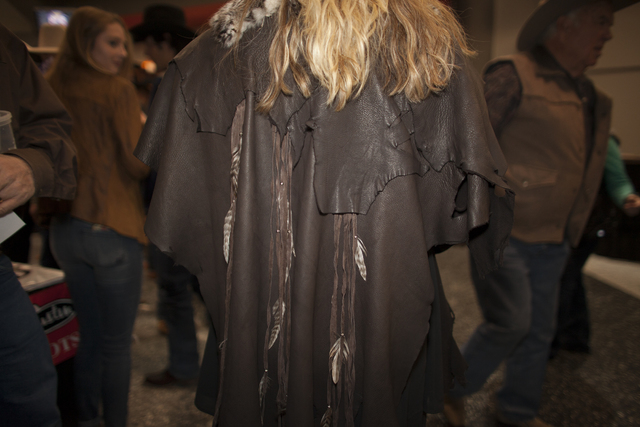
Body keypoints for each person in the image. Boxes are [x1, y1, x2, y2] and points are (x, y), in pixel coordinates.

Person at [136, 0, 515, 425]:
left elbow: (189, 196)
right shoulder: (423, 40)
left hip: (257, 299)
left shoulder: (223, 47)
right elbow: (450, 206)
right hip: (381, 300)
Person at [444, 1, 638, 426]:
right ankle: (450, 394)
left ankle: (516, 410)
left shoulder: (590, 94)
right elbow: (472, 142)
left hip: (557, 237)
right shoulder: (513, 75)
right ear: (562, 26)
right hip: (504, 234)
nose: (608, 33)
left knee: (539, 332)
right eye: (601, 21)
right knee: (510, 324)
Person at [46, 7, 149, 427]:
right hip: (112, 227)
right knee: (115, 346)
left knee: (86, 340)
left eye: (124, 43)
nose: (122, 53)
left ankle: (85, 420)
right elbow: (137, 164)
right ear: (84, 43)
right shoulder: (117, 91)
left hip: (65, 230)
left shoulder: (50, 87)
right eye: (112, 42)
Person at [0, 22, 77, 427]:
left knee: (30, 399)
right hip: (84, 226)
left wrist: (28, 165)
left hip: (2, 257)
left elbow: (50, 127)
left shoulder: (5, 46)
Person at [130, 4, 201, 387]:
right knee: (205, 295)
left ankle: (185, 367)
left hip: (171, 204)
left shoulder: (169, 79)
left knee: (175, 293)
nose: (147, 55)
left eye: (149, 45)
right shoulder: (201, 74)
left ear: (160, 41)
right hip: (202, 205)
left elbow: (156, 156)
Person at [552, 134, 640, 356]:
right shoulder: (558, 132)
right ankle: (575, 336)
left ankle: (548, 342)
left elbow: (618, 180)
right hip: (558, 223)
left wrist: (628, 198)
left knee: (562, 279)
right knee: (570, 277)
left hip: (586, 226)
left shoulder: (602, 139)